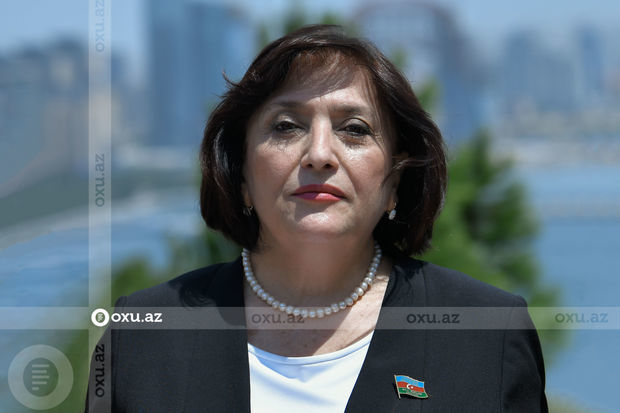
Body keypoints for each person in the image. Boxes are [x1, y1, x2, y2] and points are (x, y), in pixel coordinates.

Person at [85, 25, 547, 412]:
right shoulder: (142, 336)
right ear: (241, 174)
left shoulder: (487, 332)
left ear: (395, 181)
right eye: (286, 127)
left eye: (354, 129)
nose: (320, 154)